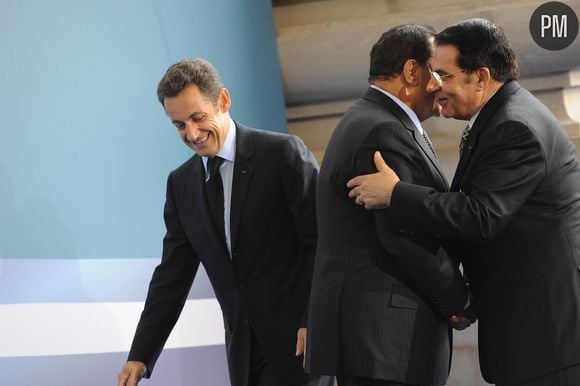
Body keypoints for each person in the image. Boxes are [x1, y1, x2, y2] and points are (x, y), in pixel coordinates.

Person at [347, 18, 580, 386]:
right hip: (539, 334)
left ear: (481, 77)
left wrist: (396, 193)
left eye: (444, 74)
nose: (435, 85)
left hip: (551, 337)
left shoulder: (514, 126)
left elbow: (481, 215)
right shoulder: (501, 118)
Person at [117, 58, 329, 386]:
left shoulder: (282, 153)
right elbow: (172, 274)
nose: (192, 134)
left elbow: (323, 241)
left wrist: (314, 318)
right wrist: (141, 354)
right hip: (243, 356)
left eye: (198, 118)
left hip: (301, 345)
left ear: (224, 101)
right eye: (179, 125)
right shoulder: (181, 183)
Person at [305, 25, 469, 386]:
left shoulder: (368, 118)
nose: (440, 83)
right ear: (412, 72)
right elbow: (403, 232)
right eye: (436, 71)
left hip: (377, 343)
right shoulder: (383, 129)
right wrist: (457, 299)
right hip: (385, 341)